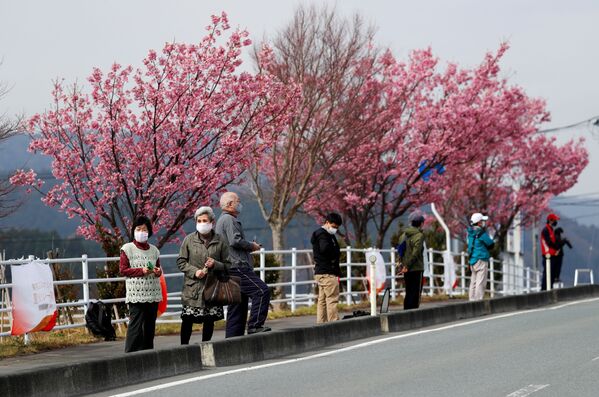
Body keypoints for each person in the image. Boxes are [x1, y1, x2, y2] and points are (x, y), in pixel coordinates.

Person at [215, 192, 271, 337]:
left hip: (229, 267)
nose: (240, 204)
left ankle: (233, 340)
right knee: (261, 290)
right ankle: (255, 325)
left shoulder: (222, 220)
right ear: (229, 204)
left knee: (237, 307)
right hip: (237, 267)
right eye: (237, 201)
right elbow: (235, 241)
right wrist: (252, 246)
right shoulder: (229, 220)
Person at [177, 206, 231, 344]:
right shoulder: (189, 240)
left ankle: (206, 347)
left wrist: (216, 264)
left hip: (212, 288)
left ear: (212, 222)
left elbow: (229, 264)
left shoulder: (220, 241)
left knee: (209, 321)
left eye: (205, 220)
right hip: (192, 289)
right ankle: (183, 349)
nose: (202, 223)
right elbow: (181, 262)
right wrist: (195, 271)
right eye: (199, 220)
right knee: (187, 320)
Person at [119, 215, 163, 353]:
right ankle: (130, 355)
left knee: (150, 327)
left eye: (144, 229)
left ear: (149, 232)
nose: (141, 232)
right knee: (135, 326)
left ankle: (148, 354)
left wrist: (157, 272)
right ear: (133, 231)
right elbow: (123, 270)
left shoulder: (154, 250)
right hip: (136, 293)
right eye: (138, 229)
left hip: (153, 293)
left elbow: (158, 268)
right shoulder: (127, 248)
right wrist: (141, 271)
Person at [311, 212, 343, 323]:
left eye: (337, 228)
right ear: (327, 222)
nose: (335, 229)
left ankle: (321, 324)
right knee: (332, 299)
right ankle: (333, 323)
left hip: (320, 272)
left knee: (322, 300)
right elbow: (325, 249)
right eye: (334, 226)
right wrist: (335, 254)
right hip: (327, 272)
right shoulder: (323, 235)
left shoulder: (324, 234)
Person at [397, 213, 425, 310]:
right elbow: (416, 252)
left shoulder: (403, 235)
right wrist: (408, 265)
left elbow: (400, 251)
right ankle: (414, 313)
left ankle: (406, 311)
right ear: (421, 223)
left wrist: (403, 265)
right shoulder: (419, 235)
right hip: (416, 267)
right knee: (416, 292)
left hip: (406, 268)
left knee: (408, 291)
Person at [467, 212, 494, 301]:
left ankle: (472, 299)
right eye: (482, 221)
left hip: (473, 259)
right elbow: (491, 244)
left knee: (473, 282)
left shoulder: (470, 233)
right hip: (481, 258)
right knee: (480, 281)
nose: (483, 223)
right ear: (479, 222)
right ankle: (478, 300)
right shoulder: (481, 233)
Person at [540, 213, 561, 290]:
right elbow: (549, 242)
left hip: (553, 254)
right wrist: (557, 248)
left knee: (552, 273)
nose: (556, 222)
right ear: (550, 220)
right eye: (555, 220)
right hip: (547, 255)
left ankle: (550, 287)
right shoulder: (545, 230)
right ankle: (544, 289)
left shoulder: (551, 229)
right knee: (547, 272)